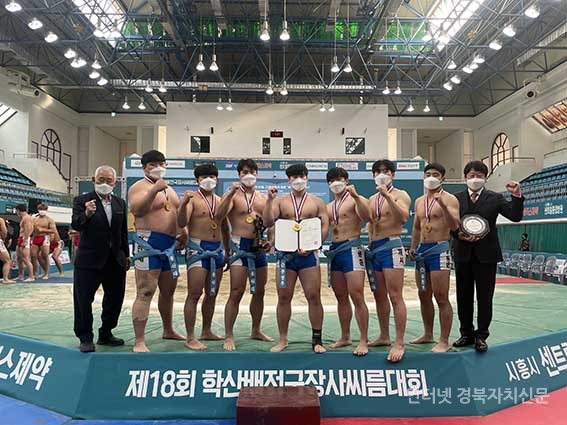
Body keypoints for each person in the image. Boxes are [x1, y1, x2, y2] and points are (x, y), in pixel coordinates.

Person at [452, 160, 523, 352]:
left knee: (485, 297)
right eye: (471, 176)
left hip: (487, 255)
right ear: (465, 178)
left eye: (479, 176)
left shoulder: (495, 198)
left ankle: (482, 335)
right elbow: (449, 223)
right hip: (463, 254)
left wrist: (516, 196)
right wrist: (457, 234)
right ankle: (466, 333)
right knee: (463, 296)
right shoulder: (455, 199)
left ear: (485, 178)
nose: (475, 179)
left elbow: (515, 216)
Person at [263, 163, 330, 353]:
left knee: (313, 296)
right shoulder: (280, 202)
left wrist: (313, 245)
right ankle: (283, 339)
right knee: (284, 297)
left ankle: (317, 340)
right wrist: (269, 200)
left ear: (307, 177)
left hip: (309, 255)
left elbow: (325, 226)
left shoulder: (317, 202)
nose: (298, 179)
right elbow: (268, 222)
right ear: (289, 180)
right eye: (294, 177)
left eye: (301, 176)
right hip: (286, 256)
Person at [128, 150, 186, 352]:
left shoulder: (170, 190)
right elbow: (137, 210)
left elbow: (175, 213)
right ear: (144, 167)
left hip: (169, 244)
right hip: (148, 241)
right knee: (145, 291)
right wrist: (154, 190)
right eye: (153, 164)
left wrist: (183, 232)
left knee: (168, 291)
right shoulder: (139, 187)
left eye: (161, 163)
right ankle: (139, 340)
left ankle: (168, 329)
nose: (158, 167)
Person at [71, 165, 130, 353]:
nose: (105, 183)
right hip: (89, 260)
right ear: (93, 180)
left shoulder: (120, 203)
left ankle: (106, 332)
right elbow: (76, 224)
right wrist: (87, 214)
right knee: (83, 300)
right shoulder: (82, 201)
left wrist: (125, 255)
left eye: (109, 180)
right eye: (101, 179)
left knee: (115, 299)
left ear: (115, 183)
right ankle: (85, 337)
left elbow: (122, 232)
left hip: (115, 260)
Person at [218, 159, 273, 351]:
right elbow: (219, 216)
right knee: (236, 291)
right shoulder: (233, 195)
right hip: (239, 245)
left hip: (258, 246)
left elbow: (270, 223)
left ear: (257, 174)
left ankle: (256, 330)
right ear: (239, 175)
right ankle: (229, 335)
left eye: (251, 171)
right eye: (244, 172)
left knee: (260, 291)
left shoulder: (263, 198)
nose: (248, 175)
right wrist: (230, 194)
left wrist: (271, 240)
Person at [409, 163, 460, 353]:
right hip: (422, 250)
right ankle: (428, 334)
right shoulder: (419, 201)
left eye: (435, 174)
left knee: (441, 297)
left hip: (439, 249)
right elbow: (417, 226)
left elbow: (455, 226)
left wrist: (443, 206)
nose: (431, 177)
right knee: (423, 295)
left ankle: (444, 341)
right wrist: (413, 246)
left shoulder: (450, 199)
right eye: (428, 174)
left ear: (442, 179)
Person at [178, 163, 229, 350]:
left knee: (212, 293)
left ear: (217, 179)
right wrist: (183, 203)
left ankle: (206, 330)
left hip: (217, 249)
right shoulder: (192, 200)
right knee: (194, 293)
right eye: (204, 177)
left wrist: (227, 250)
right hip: (198, 248)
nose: (208, 180)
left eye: (212, 176)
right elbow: (181, 222)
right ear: (197, 180)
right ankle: (190, 337)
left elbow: (225, 227)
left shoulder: (220, 200)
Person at [364, 160, 411, 362]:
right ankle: (384, 335)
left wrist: (387, 196)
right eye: (378, 172)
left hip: (391, 245)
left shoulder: (401, 194)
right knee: (379, 296)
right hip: (374, 248)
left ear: (393, 174)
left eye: (386, 171)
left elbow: (403, 217)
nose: (382, 175)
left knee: (395, 295)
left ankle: (399, 342)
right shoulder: (371, 199)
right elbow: (370, 223)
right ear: (373, 175)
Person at [324, 167, 370, 356]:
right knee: (340, 296)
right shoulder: (328, 207)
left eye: (339, 179)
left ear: (346, 180)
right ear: (329, 184)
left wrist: (356, 196)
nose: (336, 183)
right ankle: (345, 336)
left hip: (352, 248)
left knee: (357, 295)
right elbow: (322, 229)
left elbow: (367, 217)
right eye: (332, 180)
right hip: (336, 251)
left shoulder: (355, 200)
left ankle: (363, 340)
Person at [31, 204, 57, 280]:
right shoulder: (34, 219)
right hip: (35, 237)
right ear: (38, 210)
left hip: (44, 237)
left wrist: (43, 230)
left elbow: (54, 230)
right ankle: (35, 273)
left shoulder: (49, 220)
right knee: (33, 255)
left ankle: (46, 273)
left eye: (43, 209)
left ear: (46, 210)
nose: (42, 211)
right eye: (40, 209)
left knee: (45, 255)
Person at [15, 204, 34, 282]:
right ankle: (21, 276)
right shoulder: (24, 218)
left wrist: (25, 240)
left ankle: (31, 276)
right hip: (21, 238)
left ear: (18, 210)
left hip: (24, 238)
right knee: (19, 258)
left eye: (16, 211)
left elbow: (28, 229)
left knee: (25, 258)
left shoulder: (27, 218)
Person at [0, 217, 15, 283]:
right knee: (7, 260)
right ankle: (5, 279)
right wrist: (3, 239)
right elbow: (4, 231)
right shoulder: (0, 220)